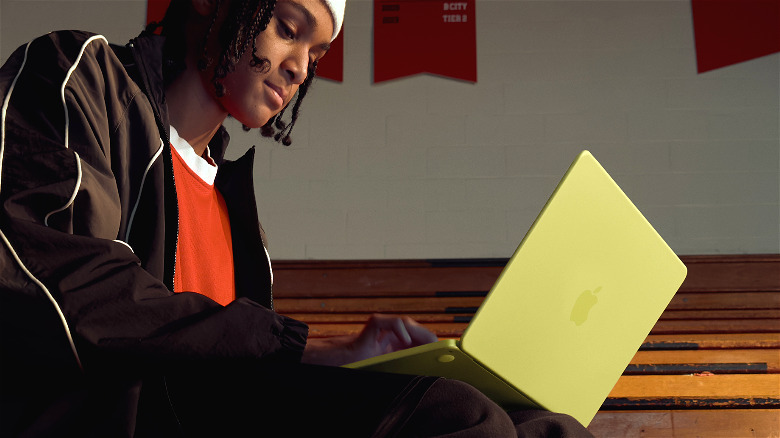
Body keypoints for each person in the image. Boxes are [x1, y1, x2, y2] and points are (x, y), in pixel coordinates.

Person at [0, 0, 594, 436]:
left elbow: (241, 367)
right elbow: (66, 288)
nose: (300, 68)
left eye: (316, 53)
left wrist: (336, 358)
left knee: (542, 422)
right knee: (459, 417)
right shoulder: (77, 76)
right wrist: (296, 348)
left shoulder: (236, 214)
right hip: (109, 419)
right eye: (288, 29)